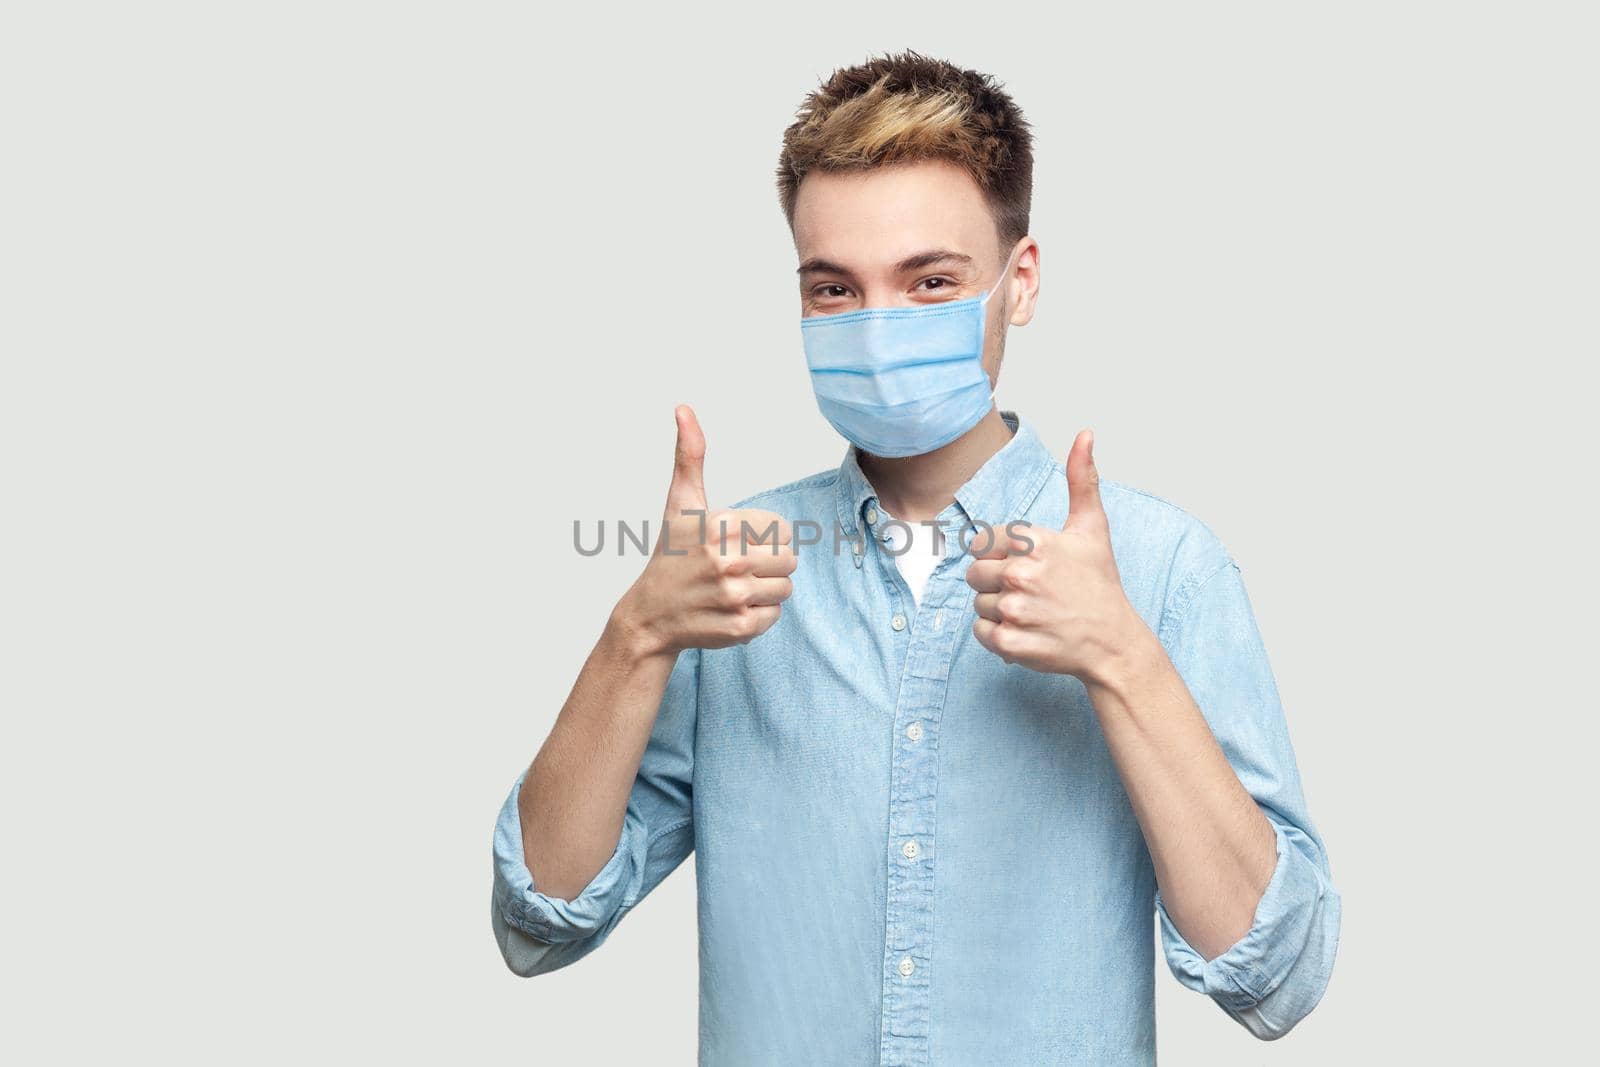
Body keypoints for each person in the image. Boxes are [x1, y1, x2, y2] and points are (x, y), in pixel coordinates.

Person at [490, 50, 1340, 1064]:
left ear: (1017, 283)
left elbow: (1278, 973)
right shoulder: (724, 581)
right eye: (835, 289)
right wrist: (633, 636)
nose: (881, 329)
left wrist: (1122, 659)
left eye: (930, 281)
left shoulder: (1164, 570)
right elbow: (539, 923)